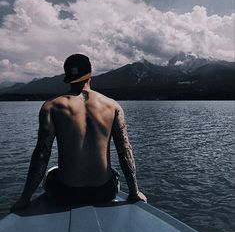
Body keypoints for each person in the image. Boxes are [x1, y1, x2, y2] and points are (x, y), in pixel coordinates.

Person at [11, 54, 147, 210]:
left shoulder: (52, 106)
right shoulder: (113, 106)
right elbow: (124, 150)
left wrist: (25, 198)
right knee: (112, 171)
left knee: (52, 173)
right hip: (104, 192)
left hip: (67, 193)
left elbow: (42, 154)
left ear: (68, 77)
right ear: (90, 74)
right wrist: (134, 192)